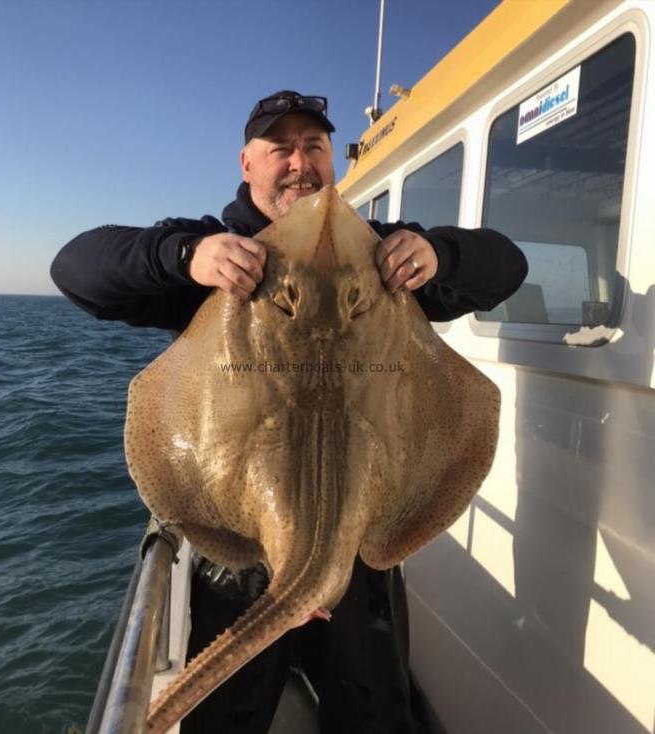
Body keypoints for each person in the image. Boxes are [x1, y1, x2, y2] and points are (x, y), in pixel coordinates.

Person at [51, 90, 527, 734]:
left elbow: (507, 265)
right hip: (242, 560)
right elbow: (76, 267)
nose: (300, 162)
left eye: (315, 147)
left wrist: (441, 256)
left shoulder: (382, 255)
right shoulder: (213, 254)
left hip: (357, 542)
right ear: (247, 164)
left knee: (375, 716)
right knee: (231, 719)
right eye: (281, 148)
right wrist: (187, 258)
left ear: (335, 162)